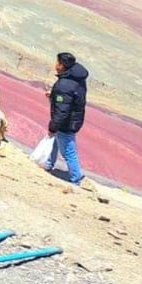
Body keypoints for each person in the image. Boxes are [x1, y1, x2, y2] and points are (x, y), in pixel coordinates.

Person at [46, 52, 89, 185]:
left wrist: (52, 127)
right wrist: (53, 96)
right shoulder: (77, 79)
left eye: (57, 62)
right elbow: (70, 99)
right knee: (55, 141)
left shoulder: (64, 85)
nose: (55, 65)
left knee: (68, 151)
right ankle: (48, 164)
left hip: (66, 123)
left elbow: (62, 110)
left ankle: (76, 179)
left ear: (62, 65)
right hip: (74, 119)